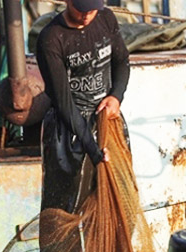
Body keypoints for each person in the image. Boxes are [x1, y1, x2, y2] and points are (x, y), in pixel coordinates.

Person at [35, 0, 129, 215]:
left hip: (107, 120)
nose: (87, 15)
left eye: (92, 9)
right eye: (81, 8)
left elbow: (122, 60)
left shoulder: (105, 18)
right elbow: (63, 103)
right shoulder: (52, 38)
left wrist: (116, 97)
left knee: (118, 204)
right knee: (68, 208)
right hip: (69, 129)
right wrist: (94, 152)